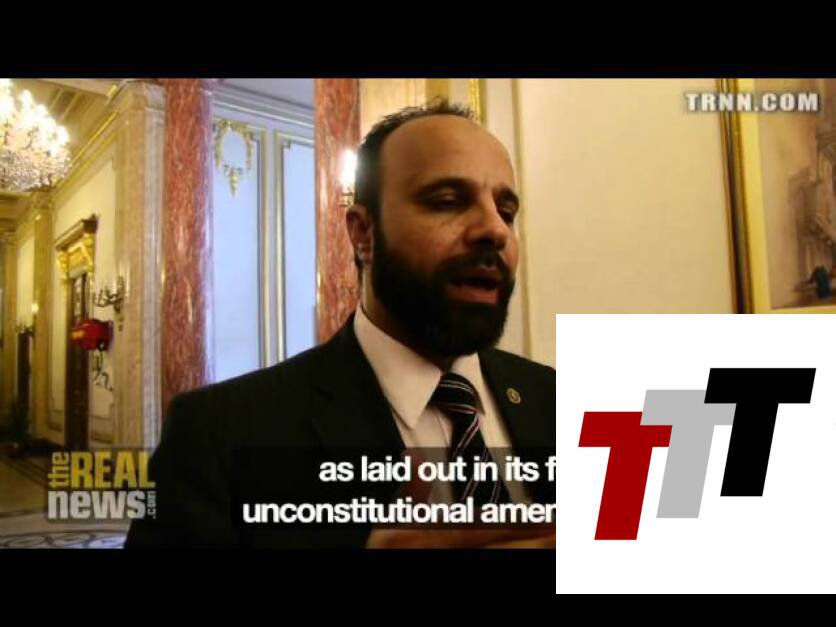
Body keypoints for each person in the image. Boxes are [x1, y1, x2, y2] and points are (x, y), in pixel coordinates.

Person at [125, 99, 555, 549]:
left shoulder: (562, 401)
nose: (495, 230)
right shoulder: (217, 434)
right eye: (447, 202)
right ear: (363, 233)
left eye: (506, 212)